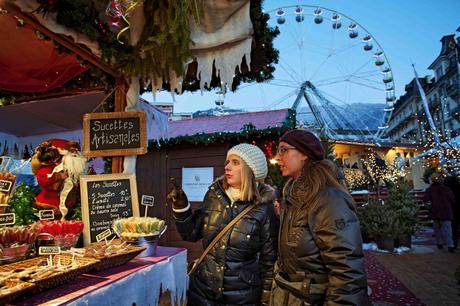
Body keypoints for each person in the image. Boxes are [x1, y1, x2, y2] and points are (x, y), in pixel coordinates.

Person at [168, 143, 278, 305]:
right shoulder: (214, 195)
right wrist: (181, 206)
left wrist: (265, 301)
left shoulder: (264, 207)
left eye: (235, 162)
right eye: (227, 162)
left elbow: (269, 264)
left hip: (242, 297)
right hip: (202, 291)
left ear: (250, 170)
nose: (227, 167)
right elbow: (190, 233)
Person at [270, 129, 370, 306]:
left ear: (304, 154)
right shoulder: (293, 196)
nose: (277, 157)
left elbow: (346, 270)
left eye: (283, 150)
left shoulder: (327, 199)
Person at [423, 172, 455, 253]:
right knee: (447, 229)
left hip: (435, 211)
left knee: (437, 228)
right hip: (446, 211)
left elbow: (426, 199)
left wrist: (429, 206)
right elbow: (452, 199)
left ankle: (439, 242)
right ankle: (450, 245)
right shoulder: (446, 189)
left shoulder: (430, 190)